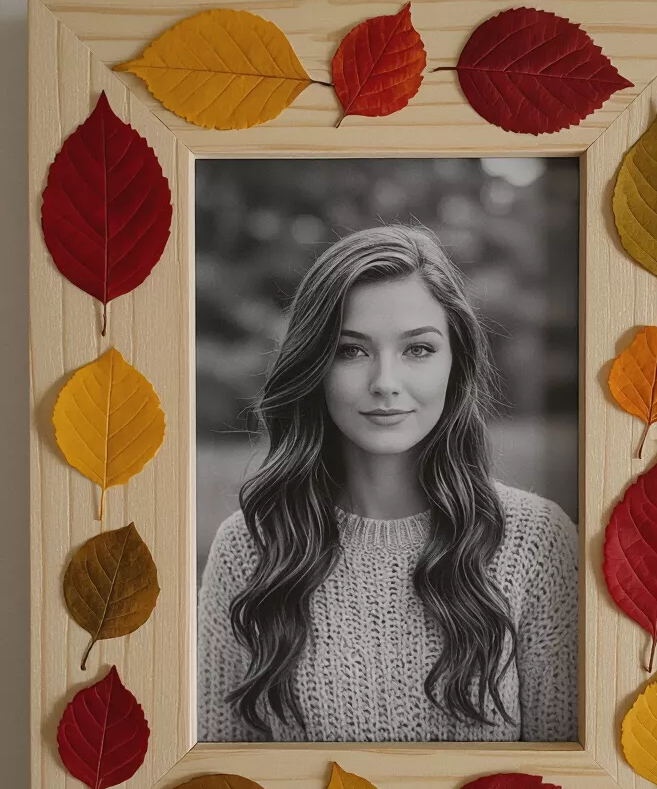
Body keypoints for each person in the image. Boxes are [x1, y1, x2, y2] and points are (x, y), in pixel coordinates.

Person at [197, 223, 578, 744]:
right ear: (314, 365)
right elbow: (217, 787)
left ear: (455, 363)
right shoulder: (251, 547)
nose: (385, 382)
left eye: (418, 349)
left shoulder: (536, 542)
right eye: (351, 351)